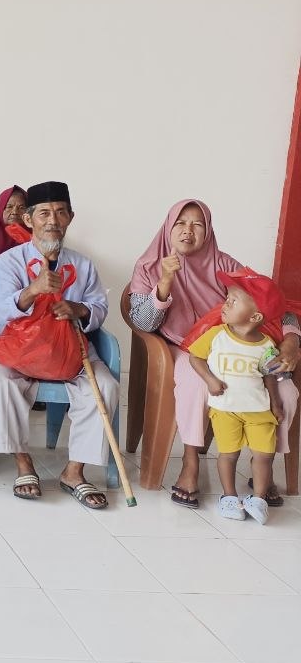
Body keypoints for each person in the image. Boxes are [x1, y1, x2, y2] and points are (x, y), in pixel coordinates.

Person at [128, 200, 300, 507]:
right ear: (168, 227)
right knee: (196, 383)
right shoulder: (148, 266)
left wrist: (291, 342)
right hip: (182, 347)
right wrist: (165, 282)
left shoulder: (226, 266)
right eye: (181, 223)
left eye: (198, 224)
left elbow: (275, 304)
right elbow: (142, 323)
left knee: (286, 391)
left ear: (208, 231)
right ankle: (190, 461)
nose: (188, 230)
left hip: (235, 347)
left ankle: (263, 464)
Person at [0, 181, 115, 509]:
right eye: (44, 213)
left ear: (70, 217)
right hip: (20, 349)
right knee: (1, 379)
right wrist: (33, 290)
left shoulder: (83, 265)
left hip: (72, 350)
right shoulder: (9, 261)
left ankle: (74, 472)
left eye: (60, 212)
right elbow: (1, 310)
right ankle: (23, 464)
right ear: (28, 219)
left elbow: (99, 307)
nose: (52, 220)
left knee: (105, 386)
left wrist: (78, 309)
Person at [186, 271, 285, 524]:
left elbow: (269, 377)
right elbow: (195, 357)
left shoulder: (267, 346)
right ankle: (229, 496)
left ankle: (259, 499)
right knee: (228, 454)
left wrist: (275, 403)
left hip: (259, 410)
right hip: (225, 409)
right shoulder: (216, 335)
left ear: (255, 317)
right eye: (227, 299)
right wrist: (210, 380)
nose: (225, 304)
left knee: (264, 454)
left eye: (233, 301)